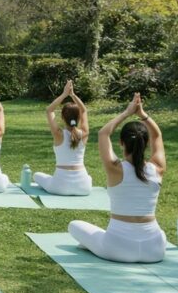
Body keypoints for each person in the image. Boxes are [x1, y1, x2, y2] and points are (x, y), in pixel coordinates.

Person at [68, 93, 168, 263]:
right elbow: (157, 136)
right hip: (155, 250)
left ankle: (92, 244)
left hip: (118, 248)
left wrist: (127, 113)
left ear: (121, 143)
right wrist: (142, 114)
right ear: (147, 144)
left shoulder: (115, 169)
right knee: (161, 233)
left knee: (74, 225)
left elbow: (103, 134)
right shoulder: (158, 168)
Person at [34, 80, 92, 196]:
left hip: (60, 186)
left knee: (36, 175)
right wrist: (73, 95)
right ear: (79, 117)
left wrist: (64, 94)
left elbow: (49, 110)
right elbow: (84, 110)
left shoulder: (58, 134)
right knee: (89, 177)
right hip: (84, 187)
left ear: (62, 117)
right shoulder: (84, 133)